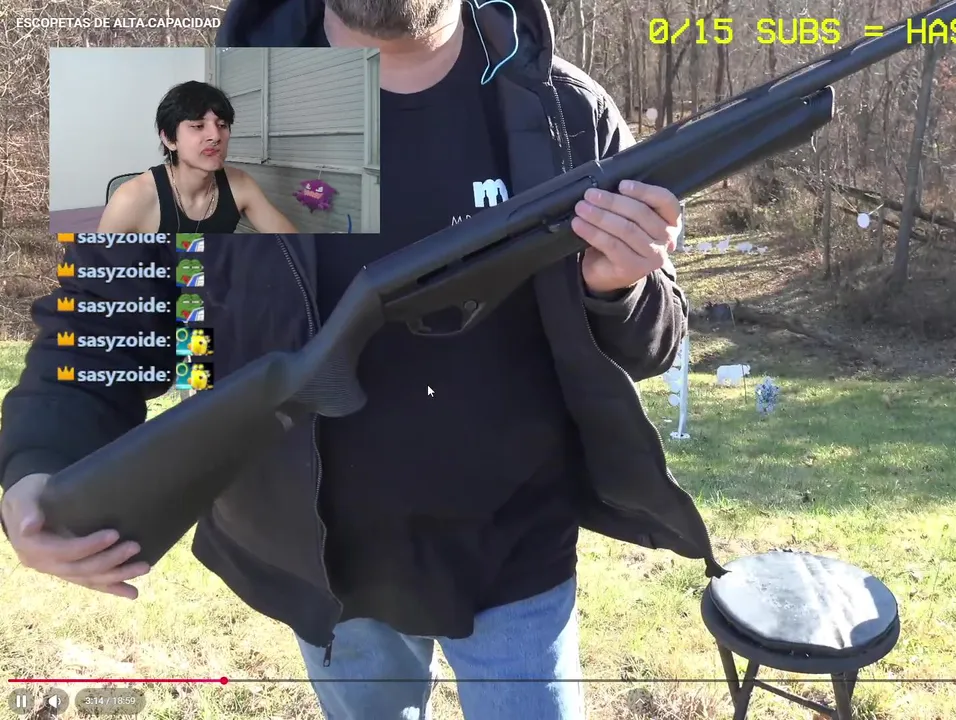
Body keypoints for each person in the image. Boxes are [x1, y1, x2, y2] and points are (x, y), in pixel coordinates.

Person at [0, 0, 724, 719]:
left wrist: (617, 287)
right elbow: (97, 324)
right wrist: (37, 462)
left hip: (520, 553)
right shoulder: (188, 117)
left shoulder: (567, 112)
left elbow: (653, 344)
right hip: (324, 572)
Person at [99, 80, 298, 234]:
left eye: (222, 125)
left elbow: (295, 245)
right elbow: (96, 268)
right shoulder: (131, 198)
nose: (215, 136)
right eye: (198, 126)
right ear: (169, 139)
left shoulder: (240, 184)